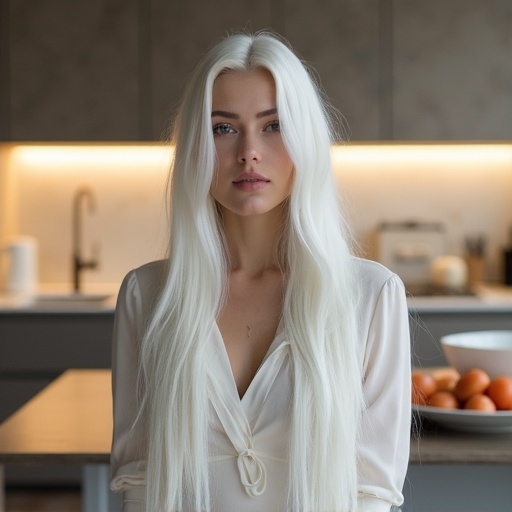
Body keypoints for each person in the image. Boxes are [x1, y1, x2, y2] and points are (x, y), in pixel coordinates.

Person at [110, 31, 411, 512]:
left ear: (306, 139)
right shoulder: (147, 296)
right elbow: (139, 479)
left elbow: (371, 492)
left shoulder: (371, 296)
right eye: (223, 129)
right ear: (195, 148)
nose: (249, 151)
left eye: (273, 125)